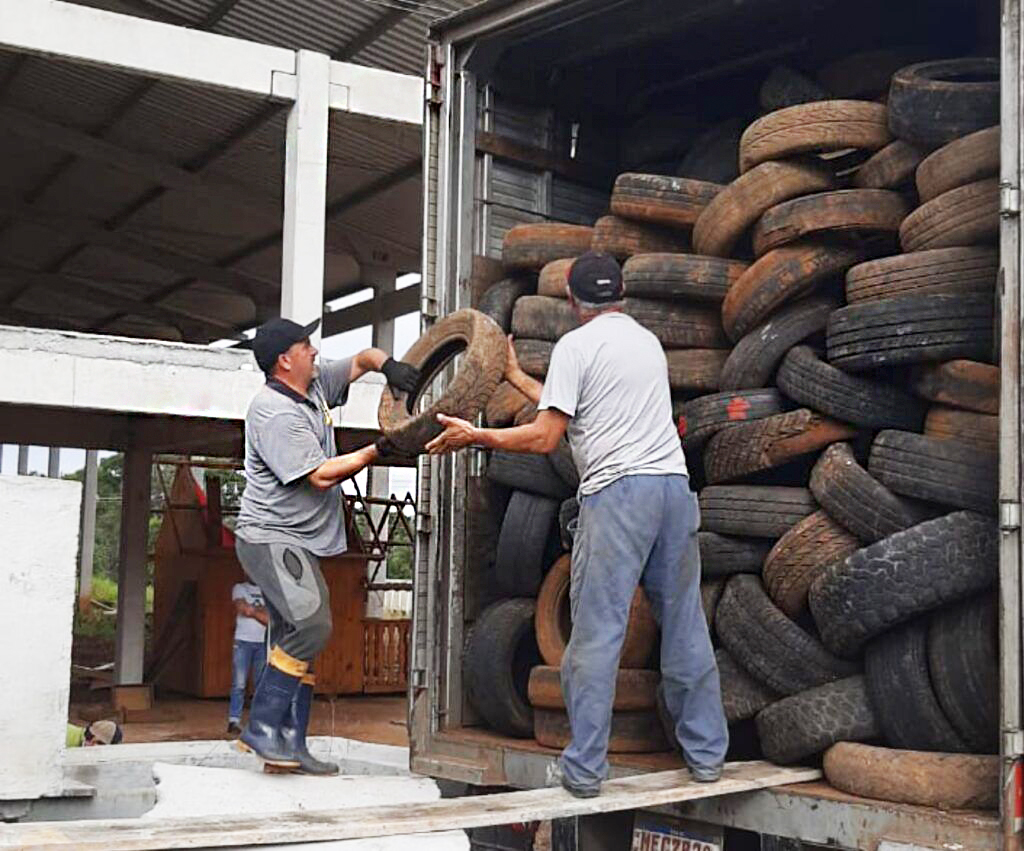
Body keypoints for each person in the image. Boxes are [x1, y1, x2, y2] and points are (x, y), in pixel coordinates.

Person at [426, 252, 728, 797]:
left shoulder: (575, 346)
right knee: (684, 623)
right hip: (671, 490)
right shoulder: (643, 342)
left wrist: (477, 436)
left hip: (620, 497)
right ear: (621, 296)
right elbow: (577, 408)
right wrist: (517, 375)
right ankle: (706, 757)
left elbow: (545, 437)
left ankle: (585, 770)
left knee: (596, 632)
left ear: (571, 300)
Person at [233, 316, 417, 774]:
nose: (315, 351)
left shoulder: (312, 385)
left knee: (296, 638)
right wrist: (378, 451)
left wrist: (389, 365)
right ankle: (261, 728)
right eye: (306, 345)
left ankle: (290, 748)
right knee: (312, 626)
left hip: (297, 541)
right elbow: (317, 475)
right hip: (272, 538)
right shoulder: (272, 412)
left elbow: (361, 360)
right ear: (284, 360)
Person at [227, 580, 269, 735]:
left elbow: (269, 619)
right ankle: (234, 720)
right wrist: (260, 611)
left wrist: (252, 610)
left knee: (260, 684)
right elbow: (242, 609)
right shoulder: (239, 587)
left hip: (261, 642)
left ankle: (257, 722)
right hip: (243, 642)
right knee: (239, 683)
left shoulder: (266, 589)